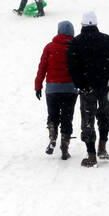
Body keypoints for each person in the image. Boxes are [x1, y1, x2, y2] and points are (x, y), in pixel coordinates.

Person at [65, 11, 109, 168]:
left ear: (82, 25)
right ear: (96, 24)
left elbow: (73, 67)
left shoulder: (75, 43)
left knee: (87, 119)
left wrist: (80, 84)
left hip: (87, 87)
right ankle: (102, 147)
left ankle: (91, 155)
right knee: (106, 114)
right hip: (107, 86)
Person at [34, 21, 77, 160]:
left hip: (52, 88)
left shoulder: (50, 47)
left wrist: (38, 86)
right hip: (70, 89)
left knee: (53, 115)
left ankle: (52, 135)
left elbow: (42, 68)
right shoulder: (75, 47)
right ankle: (65, 144)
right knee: (67, 117)